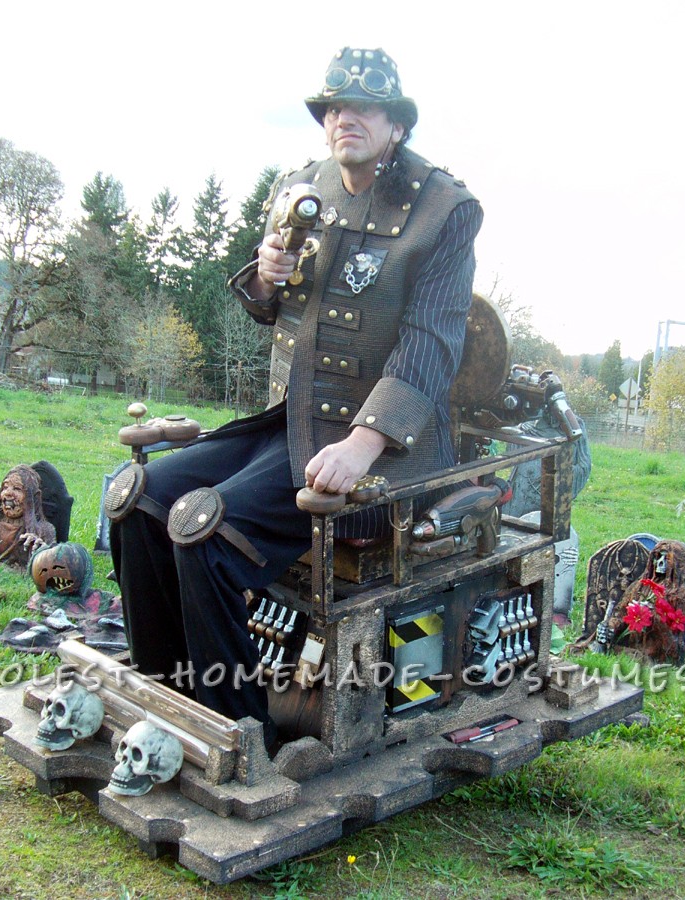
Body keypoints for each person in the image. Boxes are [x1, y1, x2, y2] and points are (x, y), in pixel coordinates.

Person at [111, 47, 483, 745]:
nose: (347, 118)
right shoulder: (302, 184)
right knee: (139, 502)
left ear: (396, 124)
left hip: (383, 455)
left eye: (364, 107)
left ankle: (240, 733)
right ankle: (169, 692)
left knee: (205, 527)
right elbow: (271, 309)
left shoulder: (445, 210)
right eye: (335, 107)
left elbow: (431, 348)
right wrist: (266, 276)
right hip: (292, 421)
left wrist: (364, 443)